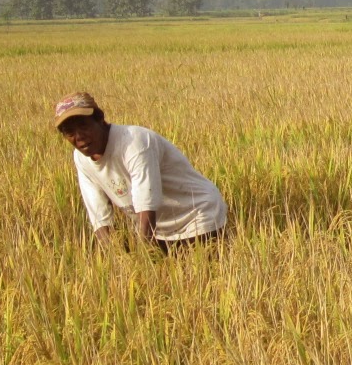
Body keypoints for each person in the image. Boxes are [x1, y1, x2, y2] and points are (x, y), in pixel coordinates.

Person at [52, 91, 228, 251]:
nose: (79, 136)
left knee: (192, 275)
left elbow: (146, 203)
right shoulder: (81, 159)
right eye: (69, 132)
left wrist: (142, 260)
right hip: (159, 228)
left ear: (100, 119)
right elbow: (99, 216)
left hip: (196, 216)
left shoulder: (134, 142)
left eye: (83, 125)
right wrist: (118, 259)